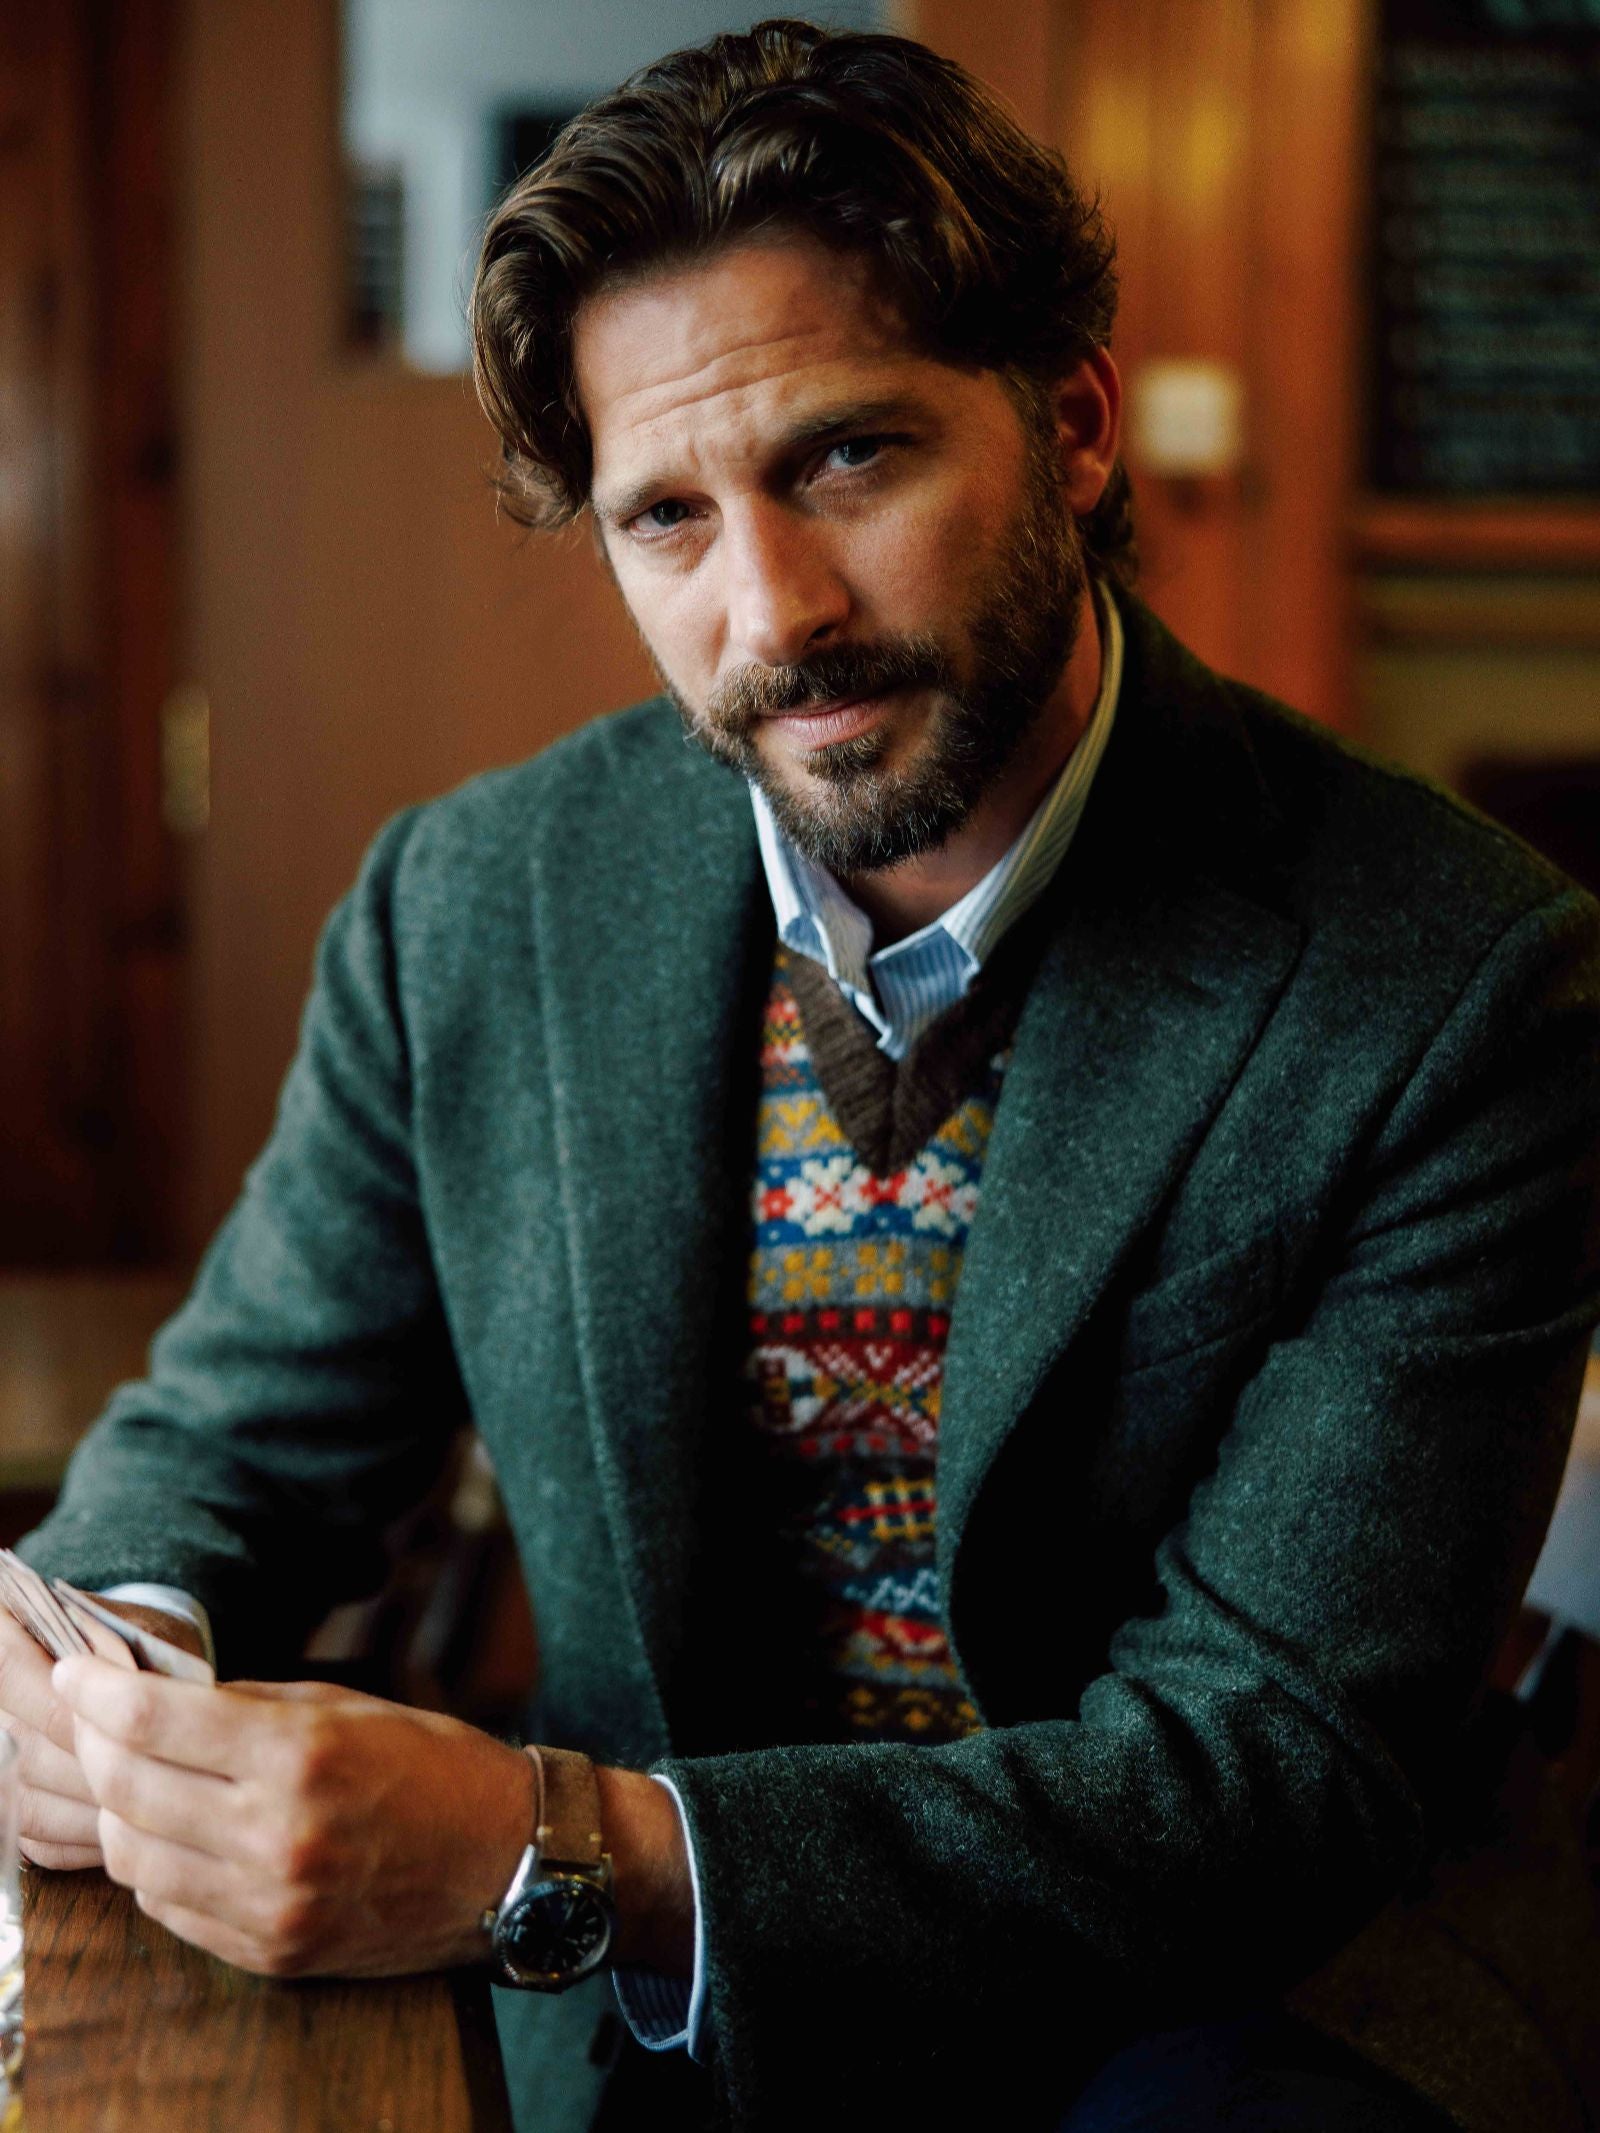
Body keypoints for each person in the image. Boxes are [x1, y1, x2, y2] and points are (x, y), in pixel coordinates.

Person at [4, 20, 1599, 2130]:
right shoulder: (473, 901)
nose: (773, 609)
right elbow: (244, 1425)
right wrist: (101, 1658)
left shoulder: (1459, 977)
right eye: (665, 514)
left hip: (1229, 2008)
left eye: (847, 456)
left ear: (1074, 424)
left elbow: (1268, 1761)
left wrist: (551, 1843)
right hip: (652, 2016)